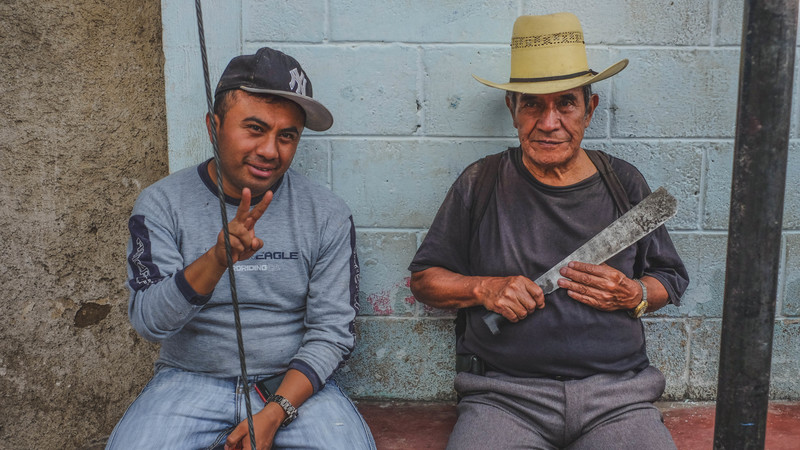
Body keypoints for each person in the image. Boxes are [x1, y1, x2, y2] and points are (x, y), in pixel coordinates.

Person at [409, 13, 689, 450]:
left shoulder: (624, 182)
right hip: (503, 399)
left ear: (589, 110)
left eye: (566, 104)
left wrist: (633, 294)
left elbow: (669, 280)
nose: (549, 121)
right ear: (512, 110)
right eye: (533, 104)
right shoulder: (480, 182)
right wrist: (483, 288)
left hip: (619, 397)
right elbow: (425, 280)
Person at [107, 47, 375, 450]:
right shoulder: (162, 204)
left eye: (287, 136)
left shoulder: (326, 213)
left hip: (290, 385)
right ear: (214, 127)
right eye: (254, 128)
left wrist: (276, 410)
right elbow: (149, 322)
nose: (271, 150)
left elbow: (333, 333)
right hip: (188, 378)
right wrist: (216, 261)